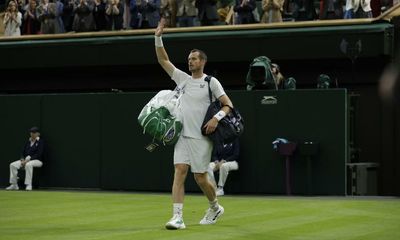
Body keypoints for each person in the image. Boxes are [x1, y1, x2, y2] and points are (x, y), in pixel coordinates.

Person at [155, 18, 234, 230]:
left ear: (203, 62)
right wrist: (158, 37)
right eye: (189, 59)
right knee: (179, 171)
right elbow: (164, 61)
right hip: (182, 136)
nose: (190, 62)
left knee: (200, 178)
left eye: (194, 59)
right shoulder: (182, 79)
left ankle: (215, 207)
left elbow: (228, 105)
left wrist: (215, 119)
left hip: (202, 138)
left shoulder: (211, 82)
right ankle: (177, 218)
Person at [6, 126, 45, 191]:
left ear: (38, 134)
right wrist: (22, 159)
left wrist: (28, 160)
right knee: (12, 165)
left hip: (38, 161)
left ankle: (28, 184)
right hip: (25, 160)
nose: (32, 134)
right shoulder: (28, 141)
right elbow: (22, 152)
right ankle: (14, 185)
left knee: (28, 164)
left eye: (34, 132)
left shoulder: (41, 142)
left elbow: (39, 154)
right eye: (31, 132)